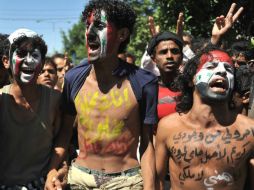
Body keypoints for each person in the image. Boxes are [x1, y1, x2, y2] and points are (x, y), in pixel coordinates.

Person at [45, 0, 158, 189]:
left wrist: (149, 187)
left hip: (126, 182)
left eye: (99, 26)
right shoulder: (73, 79)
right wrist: (51, 171)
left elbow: (147, 144)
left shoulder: (144, 82)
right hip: (80, 179)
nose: (89, 32)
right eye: (87, 26)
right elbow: (65, 133)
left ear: (122, 34)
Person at [155, 46, 254, 190]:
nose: (221, 71)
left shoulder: (249, 131)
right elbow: (157, 181)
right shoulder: (168, 127)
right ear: (192, 79)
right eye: (211, 66)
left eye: (228, 69)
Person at [0, 28, 62, 189]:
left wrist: (54, 172)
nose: (28, 60)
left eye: (34, 55)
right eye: (20, 54)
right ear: (6, 61)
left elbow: (61, 143)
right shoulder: (1, 99)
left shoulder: (55, 101)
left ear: (41, 63)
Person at [147, 31, 183, 121]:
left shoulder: (192, 88)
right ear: (154, 58)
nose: (170, 56)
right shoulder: (147, 90)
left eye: (175, 51)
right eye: (163, 52)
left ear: (181, 57)